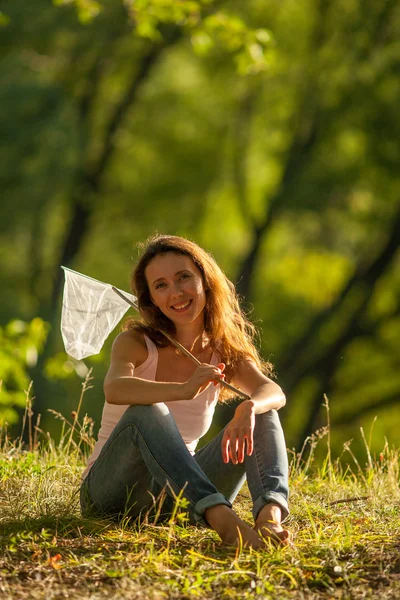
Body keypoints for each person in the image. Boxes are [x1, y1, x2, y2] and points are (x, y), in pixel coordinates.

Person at [80, 235, 290, 548]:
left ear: (205, 280)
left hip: (177, 500)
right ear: (151, 298)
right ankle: (224, 520)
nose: (175, 293)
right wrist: (183, 388)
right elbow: (115, 388)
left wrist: (248, 408)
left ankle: (269, 518)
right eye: (160, 285)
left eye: (183, 278)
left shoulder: (223, 350)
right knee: (148, 409)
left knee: (263, 412)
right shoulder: (135, 343)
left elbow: (272, 390)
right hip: (112, 496)